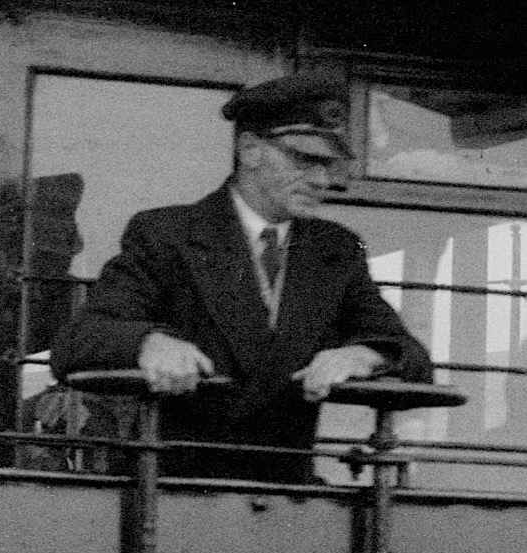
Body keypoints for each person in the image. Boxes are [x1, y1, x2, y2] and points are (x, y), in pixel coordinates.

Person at [50, 70, 433, 482]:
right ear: (250, 149)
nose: (322, 180)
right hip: (174, 494)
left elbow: (413, 359)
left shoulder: (335, 250)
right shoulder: (167, 235)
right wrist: (148, 342)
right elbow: (77, 343)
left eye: (329, 164)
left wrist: (361, 355)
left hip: (288, 500)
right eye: (304, 160)